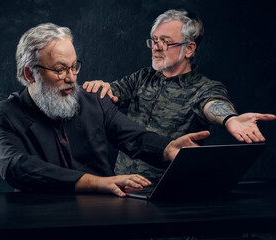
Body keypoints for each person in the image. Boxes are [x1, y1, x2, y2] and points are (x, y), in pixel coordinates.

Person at [0, 23, 210, 197]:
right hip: (42, 221)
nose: (72, 79)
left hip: (102, 218)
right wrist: (97, 183)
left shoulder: (94, 101)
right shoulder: (3, 115)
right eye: (60, 70)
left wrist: (167, 148)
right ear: (30, 74)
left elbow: (135, 138)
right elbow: (16, 167)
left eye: (74, 67)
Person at [83, 9, 276, 179]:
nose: (156, 47)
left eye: (166, 42)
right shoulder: (142, 78)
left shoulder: (204, 87)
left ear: (189, 49)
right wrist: (101, 88)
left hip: (169, 191)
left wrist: (230, 119)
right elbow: (111, 93)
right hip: (123, 185)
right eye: (155, 40)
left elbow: (213, 103)